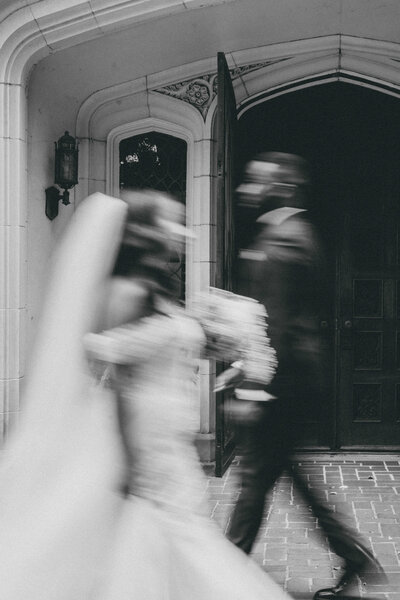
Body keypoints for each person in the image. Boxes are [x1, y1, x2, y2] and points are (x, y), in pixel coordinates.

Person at [0, 188, 290, 600]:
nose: (182, 231)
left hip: (169, 435)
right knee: (165, 534)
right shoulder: (127, 292)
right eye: (171, 221)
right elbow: (116, 375)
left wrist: (222, 343)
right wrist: (132, 460)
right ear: (144, 232)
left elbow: (160, 346)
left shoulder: (154, 289)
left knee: (171, 533)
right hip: (146, 439)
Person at [226, 152, 387, 600]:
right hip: (290, 382)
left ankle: (219, 571)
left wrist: (254, 387)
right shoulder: (287, 233)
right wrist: (241, 367)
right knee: (282, 478)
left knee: (256, 480)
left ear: (281, 188)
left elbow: (275, 322)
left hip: (284, 385)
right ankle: (354, 558)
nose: (244, 190)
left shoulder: (286, 239)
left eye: (255, 182)